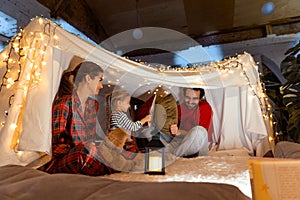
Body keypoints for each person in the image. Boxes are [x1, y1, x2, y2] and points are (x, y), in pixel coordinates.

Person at [43, 61, 134, 176]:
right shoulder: (65, 103)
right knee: (87, 151)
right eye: (100, 79)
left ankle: (112, 165)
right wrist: (89, 150)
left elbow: (91, 139)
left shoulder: (92, 105)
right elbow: (56, 145)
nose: (101, 85)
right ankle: (115, 166)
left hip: (88, 156)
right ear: (88, 78)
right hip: (68, 158)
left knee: (126, 147)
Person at [166, 87, 212, 157]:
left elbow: (200, 134)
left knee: (198, 131)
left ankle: (175, 156)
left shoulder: (204, 107)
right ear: (184, 96)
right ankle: (177, 153)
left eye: (195, 98)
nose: (190, 102)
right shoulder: (179, 108)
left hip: (199, 145)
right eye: (187, 97)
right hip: (182, 142)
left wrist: (179, 132)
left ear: (200, 99)